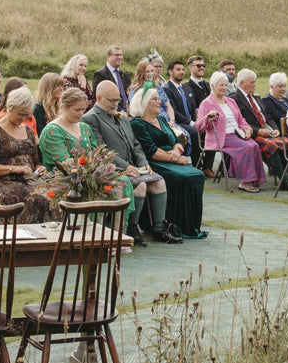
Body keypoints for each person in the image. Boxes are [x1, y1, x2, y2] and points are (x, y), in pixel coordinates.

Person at [83, 80, 178, 244]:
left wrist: (143, 162)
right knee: (140, 186)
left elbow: (135, 144)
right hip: (112, 168)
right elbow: (100, 150)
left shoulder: (122, 117)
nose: (115, 104)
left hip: (133, 166)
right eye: (111, 101)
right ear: (98, 98)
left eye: (117, 100)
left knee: (159, 181)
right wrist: (125, 166)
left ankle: (159, 229)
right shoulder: (90, 118)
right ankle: (131, 228)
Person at [129, 87, 208, 239]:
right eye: (156, 99)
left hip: (172, 158)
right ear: (144, 103)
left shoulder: (161, 120)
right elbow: (151, 151)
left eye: (159, 99)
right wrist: (176, 158)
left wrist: (177, 151)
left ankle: (191, 225)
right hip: (155, 163)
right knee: (182, 177)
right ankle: (173, 223)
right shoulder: (137, 124)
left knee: (197, 174)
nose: (160, 102)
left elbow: (176, 141)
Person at [0, 87, 55, 223]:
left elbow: (36, 160)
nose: (23, 118)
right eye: (20, 114)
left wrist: (39, 167)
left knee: (54, 194)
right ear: (10, 107)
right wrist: (15, 169)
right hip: (4, 182)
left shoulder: (28, 130)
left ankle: (49, 237)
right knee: (38, 197)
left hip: (29, 180)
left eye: (26, 115)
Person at [195, 71, 269, 193]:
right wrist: (207, 117)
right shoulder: (207, 103)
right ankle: (245, 181)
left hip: (237, 134)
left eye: (225, 85)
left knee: (254, 145)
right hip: (222, 137)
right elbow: (199, 126)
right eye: (221, 85)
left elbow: (241, 119)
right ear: (212, 86)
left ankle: (254, 179)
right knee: (247, 147)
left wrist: (247, 129)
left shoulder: (231, 101)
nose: (224, 88)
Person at [230, 68, 288, 182]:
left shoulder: (256, 97)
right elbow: (237, 122)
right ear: (242, 83)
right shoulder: (234, 99)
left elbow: (268, 117)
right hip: (251, 133)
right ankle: (284, 181)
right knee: (272, 146)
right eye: (252, 82)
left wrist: (276, 129)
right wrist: (258, 131)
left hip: (267, 130)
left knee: (287, 142)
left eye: (255, 82)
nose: (255, 85)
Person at [39, 86, 102, 170]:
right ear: (65, 107)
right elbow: (64, 164)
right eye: (77, 110)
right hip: (64, 178)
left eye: (83, 110)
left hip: (90, 174)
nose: (81, 113)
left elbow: (96, 155)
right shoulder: (52, 131)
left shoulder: (84, 127)